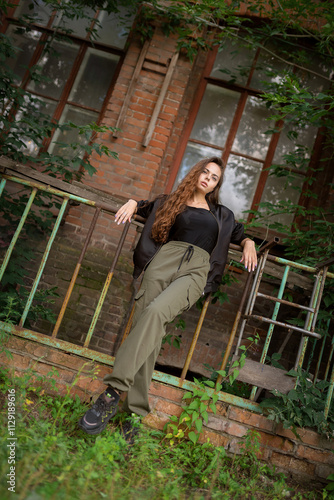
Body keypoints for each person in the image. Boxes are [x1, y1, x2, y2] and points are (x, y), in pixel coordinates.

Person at [78, 156, 257, 439]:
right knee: (147, 332)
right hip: (162, 262)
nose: (207, 178)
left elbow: (241, 235)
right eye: (205, 172)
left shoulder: (222, 215)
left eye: (214, 177)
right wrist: (133, 203)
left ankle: (112, 393)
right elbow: (144, 205)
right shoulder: (170, 201)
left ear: (216, 186)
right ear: (196, 172)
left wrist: (249, 243)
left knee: (155, 313)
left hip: (195, 271)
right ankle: (134, 414)